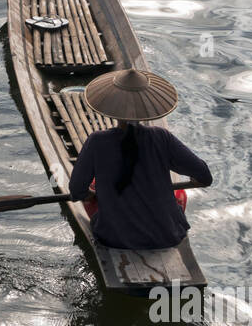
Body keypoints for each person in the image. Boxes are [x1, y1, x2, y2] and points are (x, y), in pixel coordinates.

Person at [67, 68, 212, 250]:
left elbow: (76, 191)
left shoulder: (98, 141)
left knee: (96, 186)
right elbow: (204, 176)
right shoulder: (161, 137)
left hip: (114, 238)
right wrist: (194, 181)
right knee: (179, 195)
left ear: (112, 108)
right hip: (169, 235)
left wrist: (95, 195)